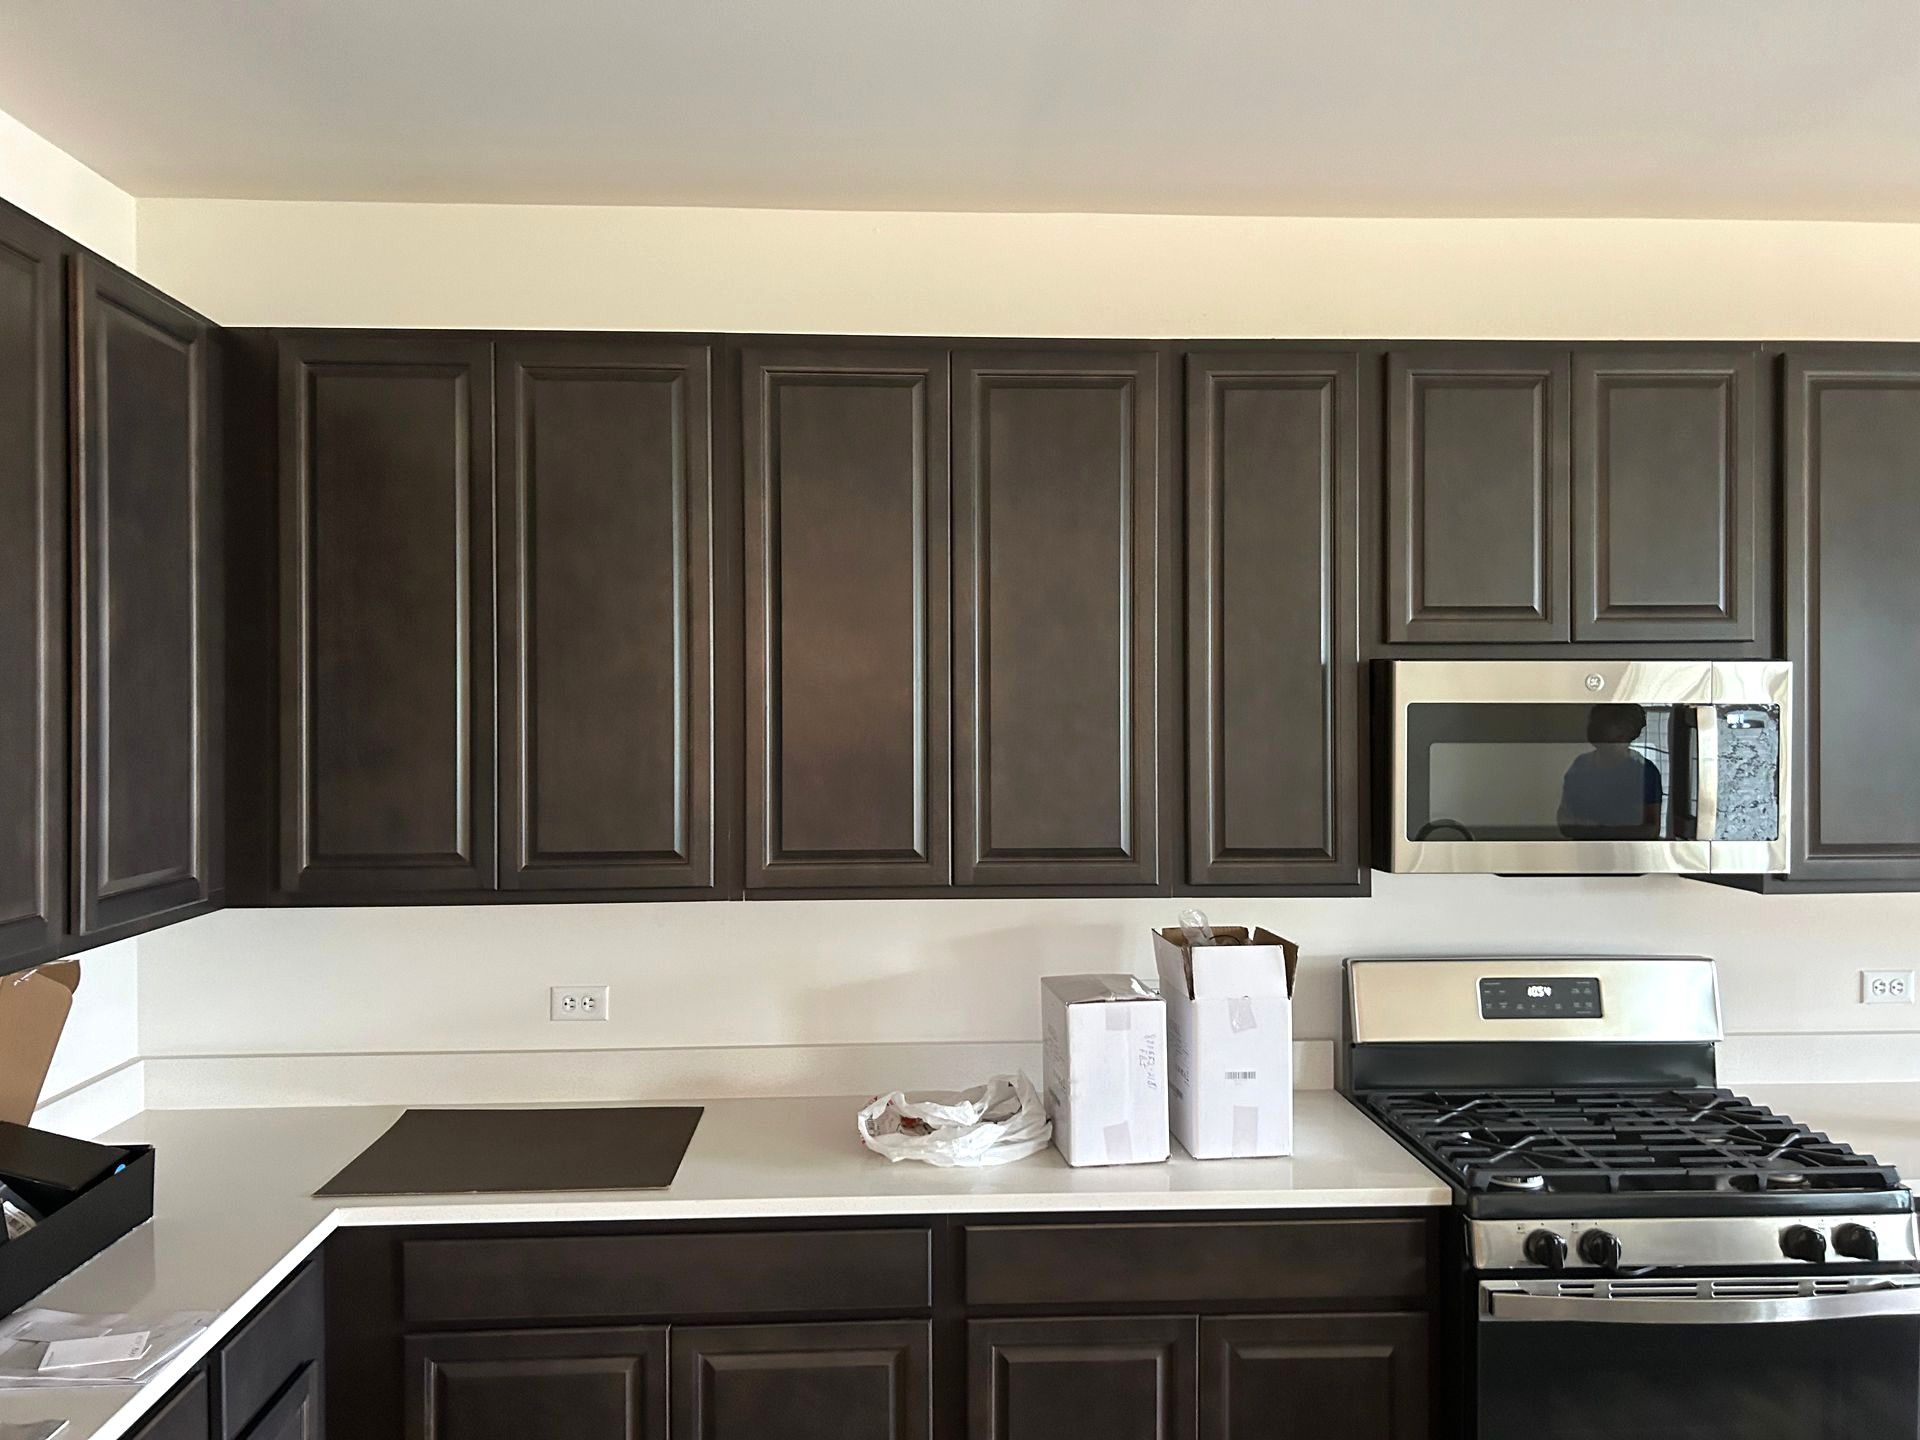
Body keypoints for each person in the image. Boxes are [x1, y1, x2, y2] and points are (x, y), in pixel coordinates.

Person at [1557, 703, 1663, 839]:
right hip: (1584, 852)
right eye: (1601, 740)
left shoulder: (1646, 772)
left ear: (1627, 736)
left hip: (1627, 854)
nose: (1605, 745)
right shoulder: (1581, 765)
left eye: (1612, 741)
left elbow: (1651, 830)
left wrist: (1600, 831)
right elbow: (1564, 820)